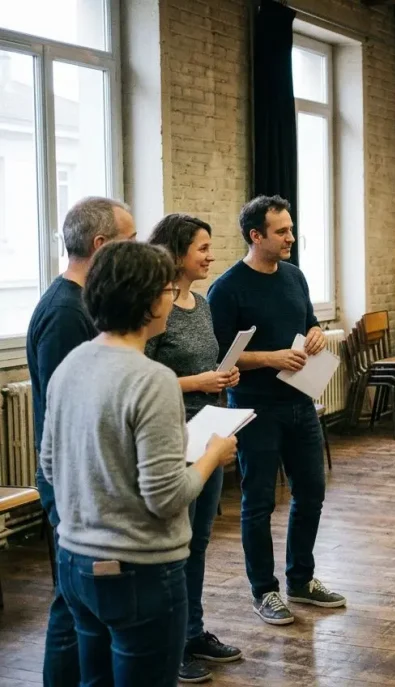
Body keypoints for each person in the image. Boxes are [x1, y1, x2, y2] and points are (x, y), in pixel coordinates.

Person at [38, 241, 237, 686]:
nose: (172, 298)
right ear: (149, 300)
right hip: (139, 573)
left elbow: (50, 468)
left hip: (76, 564)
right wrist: (212, 456)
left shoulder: (71, 365)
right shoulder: (154, 380)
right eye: (167, 289)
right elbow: (167, 498)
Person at [207, 195, 345, 625]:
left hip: (300, 403)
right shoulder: (227, 288)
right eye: (281, 231)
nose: (290, 237)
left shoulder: (294, 276)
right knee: (259, 502)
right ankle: (264, 591)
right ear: (256, 236)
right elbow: (221, 359)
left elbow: (307, 323)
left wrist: (317, 334)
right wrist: (271, 358)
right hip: (255, 409)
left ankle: (301, 580)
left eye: (290, 228)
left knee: (312, 493)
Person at [26, 196, 136, 687]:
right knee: (71, 604)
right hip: (70, 479)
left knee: (81, 602)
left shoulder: (83, 304)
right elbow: (67, 411)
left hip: (84, 476)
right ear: (101, 245)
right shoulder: (65, 313)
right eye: (129, 242)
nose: (135, 251)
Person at [147, 214, 243, 683]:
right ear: (177, 251)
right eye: (202, 248)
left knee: (198, 540)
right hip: (171, 435)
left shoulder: (201, 305)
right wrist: (197, 380)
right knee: (174, 544)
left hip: (209, 429)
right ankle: (169, 644)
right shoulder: (153, 308)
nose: (210, 256)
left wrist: (222, 375)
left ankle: (192, 631)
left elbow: (207, 365)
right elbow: (141, 376)